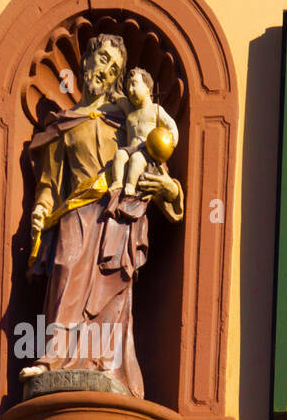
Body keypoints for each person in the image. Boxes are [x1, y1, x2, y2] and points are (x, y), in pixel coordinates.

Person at [20, 34, 183, 399]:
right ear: (86, 61)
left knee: (111, 291)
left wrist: (171, 192)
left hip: (115, 218)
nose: (106, 71)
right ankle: (53, 361)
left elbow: (155, 166)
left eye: (115, 68)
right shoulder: (65, 124)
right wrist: (41, 208)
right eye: (102, 59)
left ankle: (107, 369)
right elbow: (49, 182)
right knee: (64, 267)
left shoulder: (124, 120)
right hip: (74, 214)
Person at [110, 67, 178, 197]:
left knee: (136, 159)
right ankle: (117, 182)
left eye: (134, 84)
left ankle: (130, 185)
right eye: (128, 86)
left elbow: (171, 125)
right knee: (119, 154)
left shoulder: (155, 109)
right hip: (131, 147)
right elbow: (119, 98)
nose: (130, 90)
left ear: (147, 88)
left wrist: (172, 140)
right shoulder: (130, 111)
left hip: (146, 151)